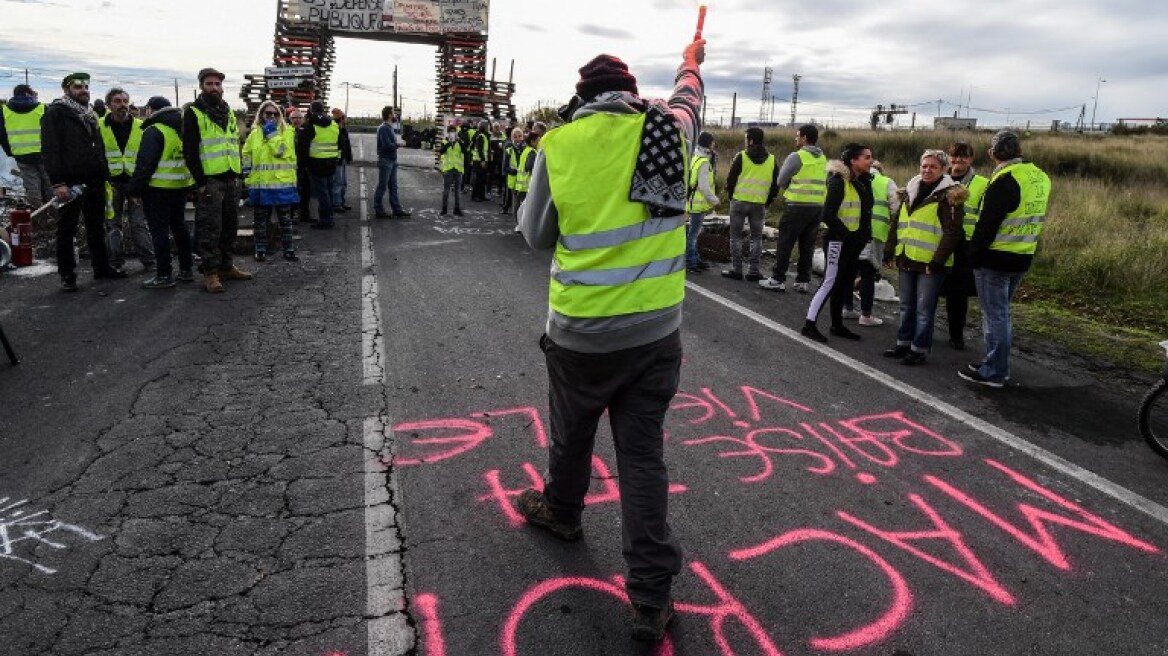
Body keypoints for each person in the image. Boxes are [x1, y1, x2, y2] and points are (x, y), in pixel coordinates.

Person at [516, 39, 705, 642]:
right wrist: (691, 60)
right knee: (643, 458)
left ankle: (564, 514)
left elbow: (535, 235)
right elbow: (688, 99)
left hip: (581, 333)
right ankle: (651, 597)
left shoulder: (559, 143)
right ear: (630, 94)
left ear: (583, 99)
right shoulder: (668, 133)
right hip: (655, 332)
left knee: (573, 435)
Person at [959, 131, 1051, 388]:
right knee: (1002, 314)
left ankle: (995, 370)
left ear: (992, 153)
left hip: (996, 258)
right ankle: (993, 362)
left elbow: (987, 224)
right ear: (1019, 151)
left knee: (995, 316)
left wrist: (972, 255)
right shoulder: (1040, 176)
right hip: (1023, 254)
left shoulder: (1004, 179)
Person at [41, 72, 125, 291]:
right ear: (67, 89)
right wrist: (58, 182)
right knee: (66, 229)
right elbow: (50, 149)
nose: (84, 90)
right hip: (69, 181)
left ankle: (102, 268)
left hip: (94, 179)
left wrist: (105, 174)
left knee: (96, 226)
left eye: (86, 86)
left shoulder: (89, 114)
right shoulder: (56, 113)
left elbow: (98, 147)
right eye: (78, 87)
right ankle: (67, 275)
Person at [881, 149, 966, 365]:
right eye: (924, 166)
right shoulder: (910, 190)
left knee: (924, 309)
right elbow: (898, 223)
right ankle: (903, 343)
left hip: (931, 263)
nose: (927, 170)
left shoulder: (950, 195)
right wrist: (889, 251)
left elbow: (953, 232)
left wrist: (937, 261)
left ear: (944, 169)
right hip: (907, 257)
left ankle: (918, 349)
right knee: (906, 305)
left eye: (933, 167)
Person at [183, 67, 253, 293]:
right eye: (209, 84)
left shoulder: (228, 112)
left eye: (217, 84)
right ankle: (210, 273)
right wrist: (200, 182)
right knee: (209, 228)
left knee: (230, 225)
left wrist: (239, 177)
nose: (214, 88)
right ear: (202, 87)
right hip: (210, 180)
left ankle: (226, 266)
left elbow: (234, 145)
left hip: (231, 177)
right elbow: (190, 150)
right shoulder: (194, 112)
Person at [800, 143, 873, 343]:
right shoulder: (838, 181)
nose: (870, 161)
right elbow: (828, 215)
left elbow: (864, 213)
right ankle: (809, 324)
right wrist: (847, 235)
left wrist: (863, 236)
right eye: (866, 157)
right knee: (830, 282)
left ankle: (837, 324)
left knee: (844, 283)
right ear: (853, 160)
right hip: (837, 242)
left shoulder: (862, 182)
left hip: (853, 244)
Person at [128, 96, 195, 288]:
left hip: (157, 190)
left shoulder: (154, 130)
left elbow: (145, 165)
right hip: (179, 188)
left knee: (159, 233)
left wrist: (134, 190)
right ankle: (186, 269)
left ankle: (164, 275)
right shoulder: (181, 130)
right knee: (180, 228)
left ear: (150, 110)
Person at [759, 124, 827, 293]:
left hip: (797, 205)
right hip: (817, 207)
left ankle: (777, 279)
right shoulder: (822, 158)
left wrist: (792, 185)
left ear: (804, 138)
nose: (795, 139)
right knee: (807, 245)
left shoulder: (797, 156)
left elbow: (781, 181)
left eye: (797, 136)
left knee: (785, 242)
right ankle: (803, 281)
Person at [99, 87, 155, 273]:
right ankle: (115, 263)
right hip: (110, 184)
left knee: (139, 223)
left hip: (135, 183)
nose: (122, 105)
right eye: (117, 101)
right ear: (108, 105)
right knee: (112, 224)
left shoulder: (141, 126)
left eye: (124, 101)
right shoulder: (99, 126)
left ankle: (149, 262)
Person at [939, 141, 989, 350]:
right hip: (938, 243)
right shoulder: (940, 179)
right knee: (931, 289)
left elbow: (985, 217)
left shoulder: (982, 183)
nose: (958, 161)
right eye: (955, 156)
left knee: (957, 295)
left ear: (971, 159)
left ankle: (956, 335)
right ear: (949, 158)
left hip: (964, 246)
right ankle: (922, 331)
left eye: (964, 157)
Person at [842, 159, 899, 326]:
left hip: (850, 230)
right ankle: (866, 314)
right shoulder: (886, 182)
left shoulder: (851, 179)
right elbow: (897, 209)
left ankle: (847, 307)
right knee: (868, 273)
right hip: (875, 233)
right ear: (880, 170)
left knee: (850, 270)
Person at [243, 100, 299, 261]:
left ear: (280, 116)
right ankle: (260, 249)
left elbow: (281, 152)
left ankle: (288, 249)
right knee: (260, 221)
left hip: (282, 184)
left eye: (275, 114)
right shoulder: (254, 134)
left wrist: (272, 133)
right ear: (261, 115)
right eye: (268, 114)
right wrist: (247, 173)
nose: (272, 117)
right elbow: (246, 152)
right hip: (260, 184)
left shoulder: (287, 132)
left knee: (285, 220)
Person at [720, 127, 778, 281]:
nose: (745, 142)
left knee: (736, 237)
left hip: (739, 202)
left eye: (746, 139)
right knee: (757, 238)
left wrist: (732, 197)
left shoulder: (741, 157)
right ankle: (754, 271)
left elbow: (730, 180)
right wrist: (768, 201)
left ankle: (737, 269)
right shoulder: (772, 160)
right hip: (759, 205)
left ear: (751, 141)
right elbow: (775, 185)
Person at [0, 85, 54, 216]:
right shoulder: (42, 108)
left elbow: (2, 135)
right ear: (27, 94)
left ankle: (39, 216)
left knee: (32, 186)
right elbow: (52, 132)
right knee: (49, 183)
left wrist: (10, 151)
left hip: (22, 155)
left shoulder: (4, 111)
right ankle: (54, 214)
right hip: (43, 154)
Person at [296, 101, 340, 230]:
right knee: (329, 191)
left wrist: (302, 166)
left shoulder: (309, 125)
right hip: (332, 162)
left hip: (316, 164)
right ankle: (329, 216)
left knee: (322, 193)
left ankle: (326, 220)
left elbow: (302, 149)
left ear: (311, 111)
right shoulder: (333, 124)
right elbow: (340, 142)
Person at [685, 130, 719, 273]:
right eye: (713, 142)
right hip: (698, 204)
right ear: (709, 143)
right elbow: (704, 186)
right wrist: (715, 201)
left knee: (694, 233)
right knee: (693, 235)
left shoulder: (695, 157)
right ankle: (690, 262)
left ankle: (695, 259)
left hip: (693, 202)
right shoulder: (704, 162)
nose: (714, 144)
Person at [373, 106, 411, 219]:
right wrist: (399, 144)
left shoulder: (389, 127)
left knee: (393, 187)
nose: (395, 115)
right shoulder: (384, 128)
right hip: (386, 160)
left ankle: (397, 210)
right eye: (393, 113)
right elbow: (386, 146)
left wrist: (396, 143)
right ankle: (378, 210)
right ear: (389, 115)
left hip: (392, 160)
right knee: (382, 186)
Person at [513, 123, 544, 213]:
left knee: (521, 210)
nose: (539, 143)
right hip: (527, 187)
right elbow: (530, 167)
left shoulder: (525, 150)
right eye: (538, 141)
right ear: (532, 142)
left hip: (521, 186)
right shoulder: (532, 153)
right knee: (527, 212)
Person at [437, 123, 463, 216]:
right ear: (448, 133)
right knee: (446, 190)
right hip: (448, 169)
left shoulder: (459, 142)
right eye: (450, 132)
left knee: (457, 191)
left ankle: (457, 209)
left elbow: (465, 151)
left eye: (454, 132)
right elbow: (441, 151)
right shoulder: (444, 141)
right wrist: (449, 142)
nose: (452, 133)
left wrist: (459, 141)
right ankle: (444, 209)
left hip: (458, 169)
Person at [330, 107, 353, 212]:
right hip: (338, 159)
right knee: (338, 182)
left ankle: (341, 202)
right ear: (341, 118)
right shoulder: (336, 129)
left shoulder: (342, 129)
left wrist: (348, 157)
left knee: (343, 182)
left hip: (342, 158)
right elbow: (341, 145)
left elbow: (346, 145)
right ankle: (337, 203)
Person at [500, 127, 523, 214]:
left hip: (524, 182)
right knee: (515, 203)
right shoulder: (509, 149)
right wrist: (512, 171)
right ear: (512, 138)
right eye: (515, 136)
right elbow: (505, 167)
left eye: (520, 136)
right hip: (513, 181)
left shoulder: (525, 149)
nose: (518, 138)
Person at [469, 118, 491, 201]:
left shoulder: (484, 136)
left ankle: (481, 195)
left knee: (482, 179)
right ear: (485, 127)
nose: (488, 127)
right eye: (487, 126)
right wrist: (483, 160)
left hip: (481, 160)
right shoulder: (481, 136)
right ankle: (474, 196)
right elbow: (480, 149)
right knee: (478, 179)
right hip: (479, 161)